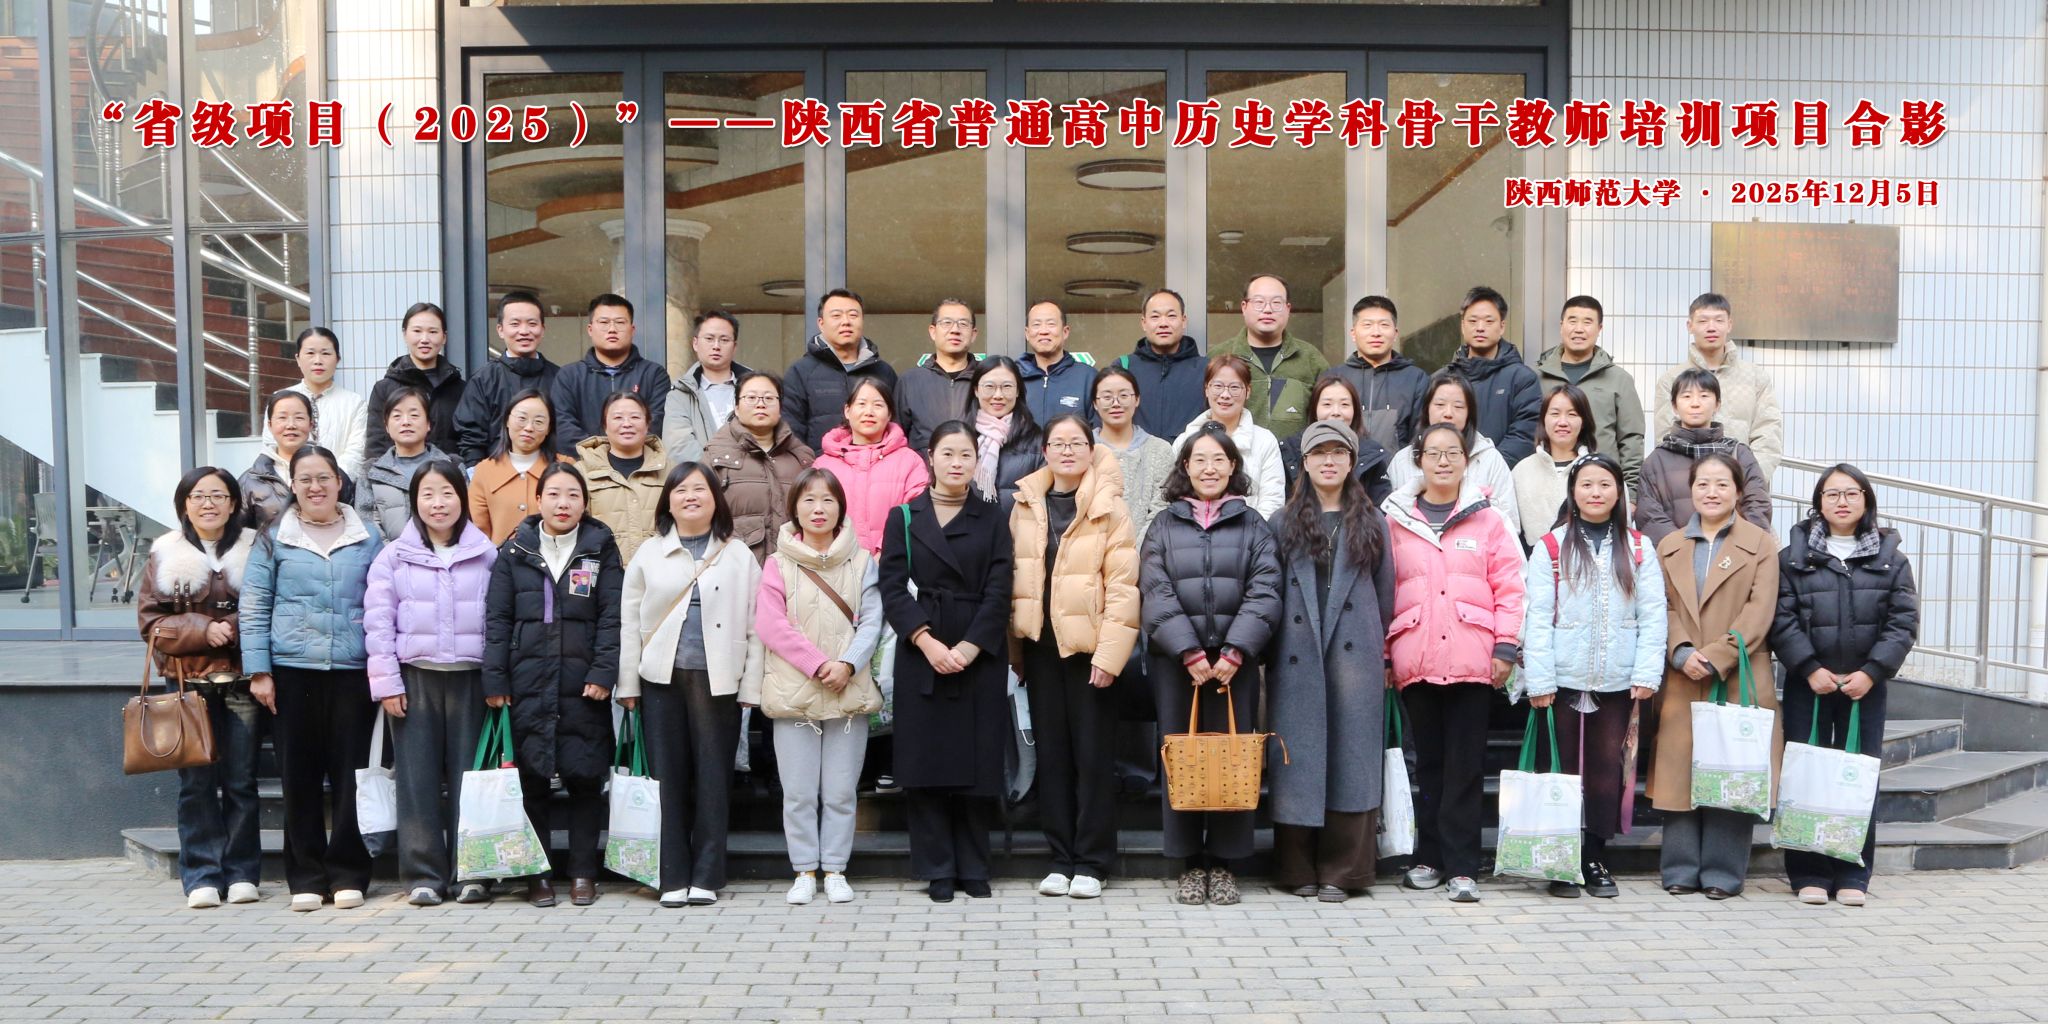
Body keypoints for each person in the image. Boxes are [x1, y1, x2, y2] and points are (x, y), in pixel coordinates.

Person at [1381, 422, 1526, 904]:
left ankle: (1463, 866)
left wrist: (1505, 646)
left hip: (1473, 660)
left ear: (1466, 461)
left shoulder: (1489, 519)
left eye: (1452, 453)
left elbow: (1511, 586)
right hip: (1416, 658)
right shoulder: (1395, 519)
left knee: (1465, 767)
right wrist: (1387, 653)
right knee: (1430, 765)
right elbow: (1384, 591)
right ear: (1418, 460)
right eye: (1433, 453)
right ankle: (1429, 857)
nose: (1443, 461)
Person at [1141, 422, 1284, 906]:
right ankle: (1187, 863)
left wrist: (1236, 650)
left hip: (1232, 667)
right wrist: (1188, 651)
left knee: (1232, 760)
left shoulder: (1253, 525)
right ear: (1185, 467)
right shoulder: (1163, 525)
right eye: (1199, 459)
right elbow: (1154, 590)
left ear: (1233, 467)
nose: (1209, 468)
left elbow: (1266, 590)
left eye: (1218, 459)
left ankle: (1225, 863)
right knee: (1182, 760)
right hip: (1176, 664)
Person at [239, 445, 385, 913]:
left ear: (339, 482)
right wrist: (259, 671)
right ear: (293, 485)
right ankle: (305, 876)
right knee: (298, 778)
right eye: (305, 479)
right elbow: (254, 606)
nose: (315, 487)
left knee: (351, 776)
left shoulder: (369, 536)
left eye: (324, 477)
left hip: (353, 673)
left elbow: (385, 604)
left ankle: (348, 873)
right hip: (291, 672)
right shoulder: (273, 537)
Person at [880, 421, 1017, 902]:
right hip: (923, 649)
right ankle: (937, 867)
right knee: (927, 760)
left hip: (979, 650)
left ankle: (974, 865)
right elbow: (892, 587)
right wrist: (927, 642)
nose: (957, 463)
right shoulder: (904, 516)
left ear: (977, 462)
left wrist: (971, 647)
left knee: (977, 759)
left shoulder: (993, 516)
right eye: (948, 454)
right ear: (930, 459)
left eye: (966, 455)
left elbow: (1001, 588)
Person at [1772, 464, 1920, 907]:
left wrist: (1872, 671)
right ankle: (1809, 872)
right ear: (1818, 502)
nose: (1842, 501)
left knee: (1858, 776)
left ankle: (1853, 871)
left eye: (1851, 493)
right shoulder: (1793, 558)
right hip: (1809, 685)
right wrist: (1809, 667)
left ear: (1866, 500)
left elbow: (1903, 622)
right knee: (1807, 775)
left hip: (1865, 687)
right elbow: (1780, 619)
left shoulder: (1891, 559)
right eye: (1832, 493)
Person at [1519, 453, 1665, 899]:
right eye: (1586, 484)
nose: (1595, 492)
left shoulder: (1638, 547)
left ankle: (1595, 858)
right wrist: (1539, 679)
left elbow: (1653, 615)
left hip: (1618, 679)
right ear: (1573, 492)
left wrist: (1647, 672)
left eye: (1605, 484)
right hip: (1561, 680)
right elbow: (1537, 617)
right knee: (1560, 770)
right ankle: (1560, 861)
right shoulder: (1550, 546)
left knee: (1606, 772)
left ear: (1619, 492)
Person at [617, 462, 763, 907]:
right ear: (668, 501)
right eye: (680, 490)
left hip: (719, 680)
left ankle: (707, 875)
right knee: (667, 778)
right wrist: (628, 683)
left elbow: (757, 627)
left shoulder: (739, 555)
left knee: (714, 778)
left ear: (716, 499)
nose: (690, 497)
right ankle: (671, 876)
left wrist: (750, 688)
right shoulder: (649, 553)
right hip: (661, 679)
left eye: (700, 489)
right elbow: (629, 623)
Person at [1010, 415, 1140, 901]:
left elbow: (1124, 586)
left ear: (1091, 449)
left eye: (1077, 443)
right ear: (1044, 451)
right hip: (1041, 649)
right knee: (1053, 758)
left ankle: (1092, 861)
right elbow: (1016, 580)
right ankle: (1060, 858)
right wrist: (1015, 649)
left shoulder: (1110, 506)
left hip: (1091, 653)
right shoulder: (1025, 503)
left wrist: (1110, 656)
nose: (1067, 450)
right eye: (1058, 443)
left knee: (1092, 758)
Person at [483, 462, 623, 909]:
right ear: (539, 500)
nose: (564, 503)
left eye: (573, 495)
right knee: (533, 781)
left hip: (584, 684)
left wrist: (603, 672)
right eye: (555, 494)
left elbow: (613, 617)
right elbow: (497, 620)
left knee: (585, 779)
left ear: (585, 503)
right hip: (528, 680)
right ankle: (537, 875)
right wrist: (496, 678)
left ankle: (583, 872)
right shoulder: (515, 550)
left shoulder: (601, 549)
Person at [1266, 422, 1395, 903]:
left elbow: (1385, 592)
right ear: (1304, 462)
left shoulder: (1373, 521)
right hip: (1296, 654)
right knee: (1297, 758)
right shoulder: (1282, 522)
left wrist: (1375, 644)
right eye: (1318, 453)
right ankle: (1297, 867)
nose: (1328, 461)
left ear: (1352, 461)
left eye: (1338, 453)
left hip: (1354, 654)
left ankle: (1344, 871)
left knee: (1352, 759)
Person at [362, 459, 497, 907]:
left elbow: (499, 621)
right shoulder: (393, 557)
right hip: (414, 680)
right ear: (414, 501)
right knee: (416, 781)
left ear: (462, 498)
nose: (438, 503)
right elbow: (378, 623)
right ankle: (424, 875)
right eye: (428, 494)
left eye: (447, 493)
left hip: (472, 681)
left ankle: (472, 873)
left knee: (470, 780)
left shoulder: (486, 554)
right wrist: (387, 684)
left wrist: (498, 679)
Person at [748, 469, 885, 906]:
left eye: (827, 500)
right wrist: (818, 663)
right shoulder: (778, 563)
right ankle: (804, 869)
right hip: (795, 692)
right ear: (795, 509)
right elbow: (771, 625)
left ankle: (836, 868)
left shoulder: (862, 562)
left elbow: (873, 621)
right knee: (799, 792)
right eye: (808, 500)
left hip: (848, 689)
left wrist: (847, 663)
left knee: (842, 791)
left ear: (841, 507)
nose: (818, 509)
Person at [1650, 453, 1781, 900]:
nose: (1711, 492)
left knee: (1731, 767)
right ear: (1691, 490)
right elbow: (1663, 606)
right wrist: (1681, 651)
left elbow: (1760, 610)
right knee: (1680, 770)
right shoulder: (1670, 546)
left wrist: (1716, 655)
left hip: (1739, 670)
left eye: (1722, 484)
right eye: (1702, 484)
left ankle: (1723, 872)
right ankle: (1680, 868)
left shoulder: (1760, 544)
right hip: (1683, 674)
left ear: (1738, 492)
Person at [138, 467, 262, 910]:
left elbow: (274, 604)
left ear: (233, 503)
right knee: (196, 783)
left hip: (243, 681)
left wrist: (232, 626)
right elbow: (151, 622)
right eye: (198, 496)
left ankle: (243, 873)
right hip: (187, 684)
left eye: (218, 495)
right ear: (184, 505)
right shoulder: (164, 553)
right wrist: (201, 629)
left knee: (242, 781)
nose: (208, 503)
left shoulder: (256, 548)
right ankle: (202, 875)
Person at [1655, 292, 1783, 480]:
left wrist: (1746, 480)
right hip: (1688, 487)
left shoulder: (1755, 377)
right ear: (1690, 326)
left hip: (1743, 486)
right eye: (1703, 321)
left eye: (1719, 320)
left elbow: (1768, 434)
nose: (1711, 327)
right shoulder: (1672, 379)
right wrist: (1692, 484)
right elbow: (1665, 438)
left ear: (1729, 324)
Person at [1635, 368, 1772, 544]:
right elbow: (1649, 516)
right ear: (1674, 406)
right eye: (1686, 396)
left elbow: (1757, 505)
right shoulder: (1657, 460)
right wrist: (1685, 549)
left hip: (1732, 556)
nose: (1695, 403)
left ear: (1717, 404)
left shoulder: (1738, 453)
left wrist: (1733, 549)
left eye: (1704, 396)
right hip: (1677, 556)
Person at [1536, 296, 1645, 491]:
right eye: (1572, 321)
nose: (1579, 329)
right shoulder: (1538, 377)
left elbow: (1631, 439)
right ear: (1561, 326)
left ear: (1599, 328)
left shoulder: (1619, 379)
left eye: (1587, 322)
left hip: (1601, 487)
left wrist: (1631, 492)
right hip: (1546, 483)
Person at [705, 372, 816, 563]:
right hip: (736, 569)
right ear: (736, 407)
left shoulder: (802, 458)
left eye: (769, 398)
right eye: (751, 397)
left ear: (780, 407)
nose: (760, 404)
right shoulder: (714, 456)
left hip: (795, 569)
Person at [811, 377, 928, 556]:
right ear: (847, 411)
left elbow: (918, 512)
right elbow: (811, 515)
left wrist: (885, 553)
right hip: (834, 563)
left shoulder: (910, 462)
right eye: (862, 404)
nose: (869, 412)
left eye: (878, 405)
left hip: (894, 563)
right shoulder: (823, 465)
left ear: (889, 414)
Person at [1388, 371, 1519, 525]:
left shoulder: (1490, 459)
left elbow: (1508, 524)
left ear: (1469, 413)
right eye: (1440, 405)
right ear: (1427, 409)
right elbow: (1390, 519)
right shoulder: (1403, 460)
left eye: (1458, 406)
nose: (1448, 413)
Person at [1207, 274, 1327, 441]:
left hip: (1295, 457)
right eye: (1259, 302)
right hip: (1235, 455)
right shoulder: (1219, 356)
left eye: (1276, 302)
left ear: (1288, 309)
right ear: (1244, 307)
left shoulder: (1310, 358)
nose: (1267, 309)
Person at [550, 293, 672, 452]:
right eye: (604, 322)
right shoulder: (569, 376)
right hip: (583, 463)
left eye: (620, 322)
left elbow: (657, 423)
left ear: (632, 330)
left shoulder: (654, 374)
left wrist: (624, 454)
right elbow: (563, 426)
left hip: (640, 462)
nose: (612, 329)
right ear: (590, 329)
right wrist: (600, 455)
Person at [1170, 354, 1286, 520]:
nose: (1225, 394)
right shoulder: (1184, 441)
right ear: (1206, 389)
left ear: (1248, 391)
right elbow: (1173, 496)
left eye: (1234, 387)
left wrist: (1253, 532)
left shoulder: (1265, 440)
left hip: (1250, 533)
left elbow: (1272, 500)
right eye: (1218, 386)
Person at [783, 288, 899, 452]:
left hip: (878, 464)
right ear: (821, 323)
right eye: (836, 315)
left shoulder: (883, 372)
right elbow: (792, 430)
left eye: (853, 315)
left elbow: (896, 426)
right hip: (821, 465)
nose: (846, 321)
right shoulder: (801, 372)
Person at [454, 291, 560, 467]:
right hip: (496, 475)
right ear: (500, 330)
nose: (524, 331)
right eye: (515, 324)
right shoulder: (484, 379)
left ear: (542, 330)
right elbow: (471, 437)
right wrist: (478, 474)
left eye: (532, 323)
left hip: (549, 474)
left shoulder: (559, 378)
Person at [1446, 286, 1541, 467]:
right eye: (1473, 321)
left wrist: (1486, 469)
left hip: (1502, 476)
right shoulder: (1443, 379)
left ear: (1502, 326)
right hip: (1449, 475)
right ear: (1463, 325)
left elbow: (1524, 436)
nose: (1480, 328)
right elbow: (1429, 431)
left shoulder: (1522, 379)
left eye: (1489, 321)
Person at [1325, 295, 1430, 455]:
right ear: (1353, 333)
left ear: (1395, 333)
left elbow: (1421, 436)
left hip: (1396, 469)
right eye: (1367, 325)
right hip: (1344, 468)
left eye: (1384, 325)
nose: (1376, 333)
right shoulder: (1334, 377)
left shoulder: (1416, 379)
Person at [574, 392, 670, 564]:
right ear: (605, 425)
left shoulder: (669, 470)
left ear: (647, 423)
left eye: (635, 417)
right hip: (602, 572)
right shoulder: (581, 471)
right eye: (618, 417)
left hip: (658, 571)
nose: (627, 424)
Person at [469, 389, 573, 545]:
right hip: (500, 559)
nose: (529, 427)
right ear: (507, 421)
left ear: (549, 428)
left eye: (539, 422)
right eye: (522, 418)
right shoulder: (484, 471)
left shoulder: (565, 467)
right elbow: (479, 534)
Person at [365, 303, 464, 464]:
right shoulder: (384, 389)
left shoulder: (459, 388)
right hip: (397, 475)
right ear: (405, 334)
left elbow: (467, 438)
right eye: (417, 331)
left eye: (433, 332)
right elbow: (376, 443)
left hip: (448, 473)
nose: (424, 339)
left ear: (444, 337)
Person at [242, 389, 352, 533]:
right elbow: (241, 534)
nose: (291, 425)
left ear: (311, 424)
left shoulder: (334, 475)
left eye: (299, 418)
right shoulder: (250, 481)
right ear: (269, 425)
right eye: (282, 418)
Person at [265, 327, 368, 480]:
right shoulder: (280, 399)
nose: (318, 360)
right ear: (298, 359)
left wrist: (330, 481)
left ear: (337, 359)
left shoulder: (354, 403)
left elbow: (356, 452)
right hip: (285, 485)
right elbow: (270, 446)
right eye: (310, 353)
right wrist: (295, 483)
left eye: (325, 353)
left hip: (339, 486)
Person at [1277, 376, 1394, 505]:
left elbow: (1382, 508)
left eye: (1344, 405)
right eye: (1327, 404)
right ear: (1314, 409)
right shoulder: (1290, 450)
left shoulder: (1373, 454)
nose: (1336, 412)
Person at [355, 387, 453, 540]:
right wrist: (392, 552)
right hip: (389, 553)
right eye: (397, 416)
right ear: (387, 426)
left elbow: (463, 518)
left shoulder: (451, 467)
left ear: (428, 423)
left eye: (414, 415)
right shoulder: (371, 472)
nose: (406, 422)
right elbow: (367, 524)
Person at [1090, 366, 1174, 541]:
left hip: (1147, 551)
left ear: (1137, 399)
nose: (1116, 403)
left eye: (1123, 395)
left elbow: (1162, 508)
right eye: (1107, 397)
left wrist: (1137, 550)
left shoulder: (1160, 450)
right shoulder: (1083, 449)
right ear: (1095, 403)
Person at [1115, 288, 1207, 441]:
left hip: (1188, 455)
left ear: (1184, 320)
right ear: (1144, 323)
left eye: (1171, 316)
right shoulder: (1123, 368)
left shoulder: (1205, 370)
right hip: (1135, 454)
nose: (1163, 323)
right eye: (1155, 317)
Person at [662, 311, 754, 464]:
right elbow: (679, 447)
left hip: (750, 476)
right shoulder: (680, 394)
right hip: (702, 477)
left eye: (724, 340)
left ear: (734, 346)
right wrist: (718, 470)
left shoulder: (756, 389)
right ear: (695, 343)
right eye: (709, 339)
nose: (716, 346)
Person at [1511, 385, 1595, 547]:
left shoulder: (1601, 470)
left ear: (1584, 421)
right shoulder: (1522, 471)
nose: (1562, 422)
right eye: (1555, 414)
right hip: (1533, 559)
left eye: (1572, 414)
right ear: (1543, 419)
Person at [895, 299, 981, 453]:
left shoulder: (985, 379)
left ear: (973, 334)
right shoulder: (910, 381)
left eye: (963, 324)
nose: (955, 330)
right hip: (922, 467)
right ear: (933, 331)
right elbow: (896, 438)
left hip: (975, 466)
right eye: (947, 323)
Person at [964, 356, 1045, 510]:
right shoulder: (961, 437)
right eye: (989, 386)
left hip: (1020, 524)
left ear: (1018, 391)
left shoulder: (1036, 440)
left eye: (1007, 386)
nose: (998, 395)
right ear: (976, 390)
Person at [1017, 299, 1098, 427]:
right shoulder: (1014, 377)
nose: (1043, 331)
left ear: (1065, 332)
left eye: (1051, 324)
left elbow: (1098, 430)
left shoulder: (1088, 377)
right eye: (1036, 324)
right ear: (1027, 333)